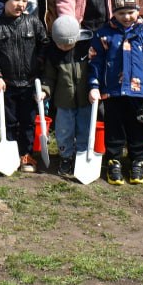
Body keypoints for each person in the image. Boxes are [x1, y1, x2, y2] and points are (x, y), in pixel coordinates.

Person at [88, 0, 143, 186]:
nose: (127, 17)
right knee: (114, 128)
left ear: (138, 10)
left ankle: (137, 161)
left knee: (138, 127)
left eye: (130, 12)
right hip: (113, 92)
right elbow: (95, 62)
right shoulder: (104, 34)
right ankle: (114, 161)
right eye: (121, 13)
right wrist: (94, 85)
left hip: (139, 93)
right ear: (114, 13)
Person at [0, 0, 51, 173]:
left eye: (24, 1)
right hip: (6, 85)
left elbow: (45, 45)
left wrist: (39, 63)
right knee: (9, 121)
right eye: (16, 0)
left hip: (30, 84)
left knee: (28, 122)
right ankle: (11, 151)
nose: (20, 4)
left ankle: (26, 153)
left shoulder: (33, 23)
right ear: (5, 0)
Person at [43, 15, 93, 178]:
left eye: (69, 43)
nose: (65, 47)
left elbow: (96, 69)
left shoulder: (86, 47)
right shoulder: (53, 53)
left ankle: (82, 155)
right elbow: (49, 77)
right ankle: (65, 157)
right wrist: (45, 90)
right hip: (64, 101)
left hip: (85, 100)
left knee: (84, 129)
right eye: (61, 44)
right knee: (64, 131)